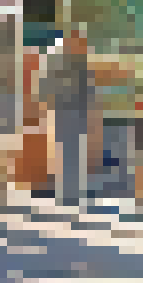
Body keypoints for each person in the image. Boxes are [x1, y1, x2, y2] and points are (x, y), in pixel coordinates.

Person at [38, 28, 96, 206]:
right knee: (65, 153)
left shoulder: (81, 65)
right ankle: (66, 194)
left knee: (75, 154)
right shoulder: (61, 63)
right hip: (64, 113)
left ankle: (72, 193)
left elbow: (88, 92)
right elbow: (49, 87)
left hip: (77, 114)